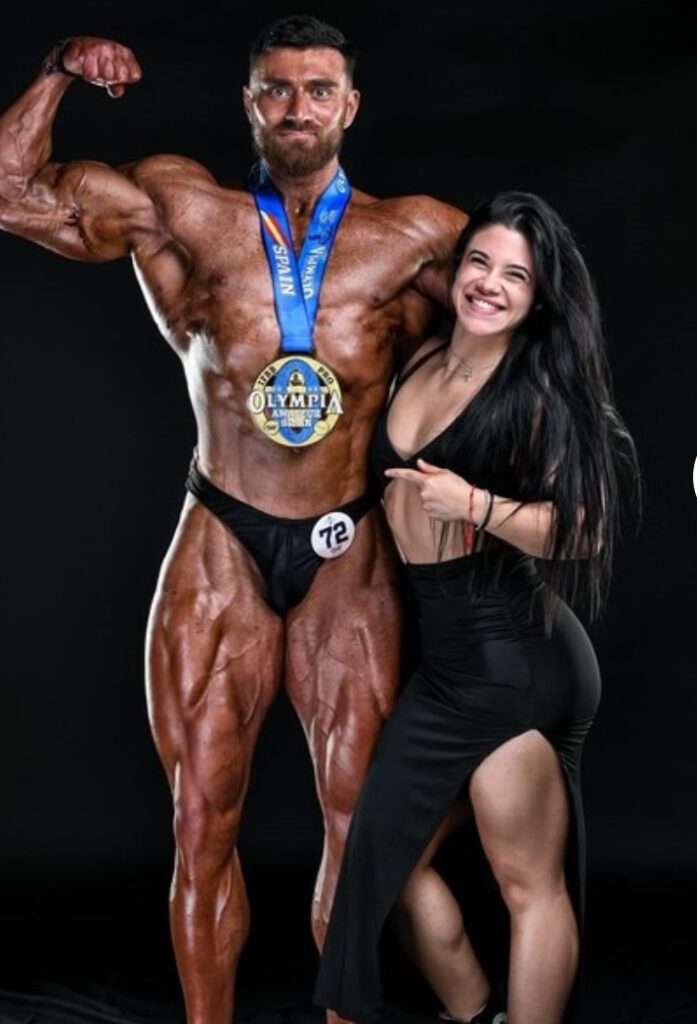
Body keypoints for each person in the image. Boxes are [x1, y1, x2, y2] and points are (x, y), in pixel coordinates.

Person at [0, 16, 466, 1024]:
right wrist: (58, 71)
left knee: (358, 825)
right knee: (199, 824)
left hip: (348, 549)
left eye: (317, 89)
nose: (297, 108)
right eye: (276, 89)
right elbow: (8, 192)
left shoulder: (417, 236)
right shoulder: (183, 209)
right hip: (220, 536)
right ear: (248, 104)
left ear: (349, 106)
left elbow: (534, 327)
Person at [315, 192, 640, 1024]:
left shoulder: (534, 391)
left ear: (538, 296)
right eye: (480, 262)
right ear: (456, 269)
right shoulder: (424, 353)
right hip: (447, 665)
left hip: (514, 666)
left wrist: (475, 504)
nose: (490, 284)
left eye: (515, 275)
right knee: (380, 869)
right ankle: (476, 1015)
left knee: (526, 883)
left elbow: (583, 532)